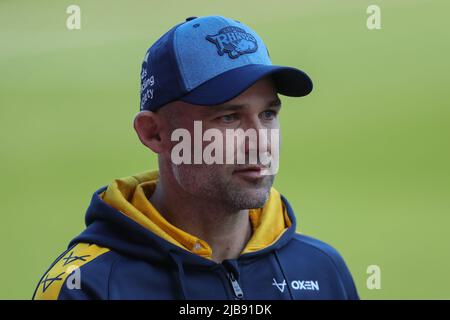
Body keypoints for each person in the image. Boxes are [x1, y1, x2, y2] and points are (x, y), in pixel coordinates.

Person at [33, 15, 359, 300]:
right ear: (155, 134)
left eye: (269, 114)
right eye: (229, 118)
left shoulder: (322, 270)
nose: (260, 142)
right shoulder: (86, 286)